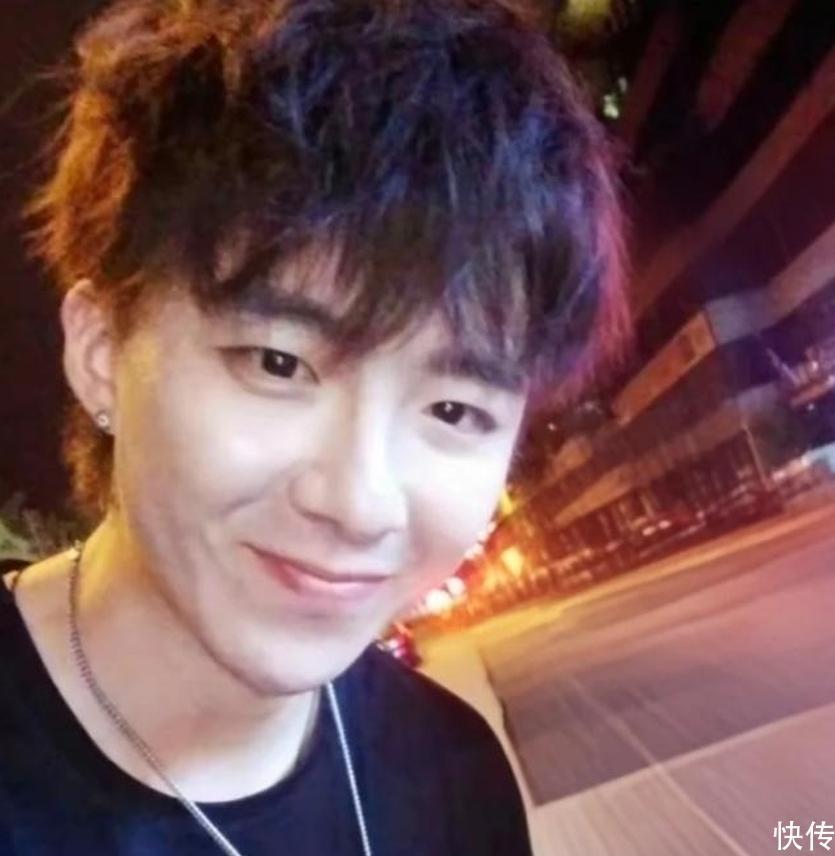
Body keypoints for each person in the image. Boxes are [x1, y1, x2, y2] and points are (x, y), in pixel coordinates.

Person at [0, 0, 628, 853]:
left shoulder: (455, 779)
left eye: (453, 410)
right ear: (102, 348)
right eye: (278, 363)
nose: (359, 504)